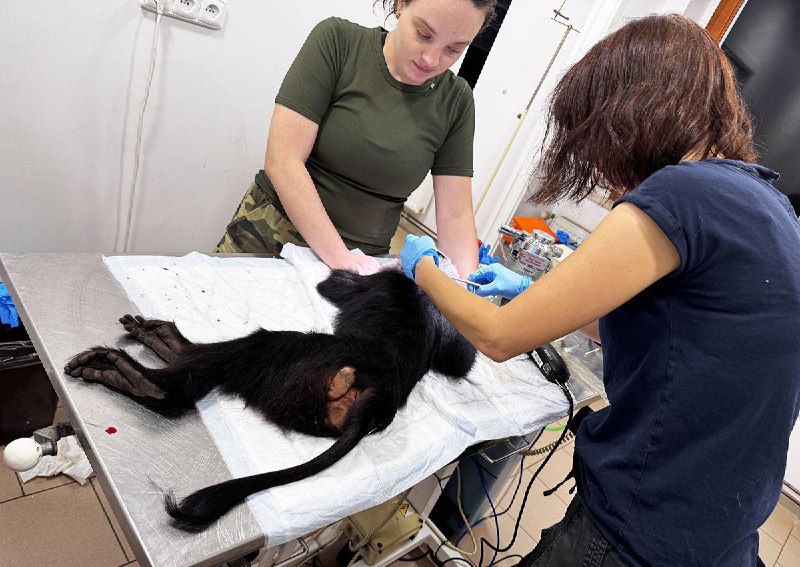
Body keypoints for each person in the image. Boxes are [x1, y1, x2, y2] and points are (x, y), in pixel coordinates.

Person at [400, 14, 800, 566]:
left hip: (639, 531)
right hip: (719, 533)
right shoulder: (766, 202)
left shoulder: (682, 194)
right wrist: (531, 288)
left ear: (631, 115)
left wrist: (421, 268)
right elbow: (673, 334)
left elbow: (496, 337)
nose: (603, 172)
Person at [215, 0, 497, 276]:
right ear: (400, 5)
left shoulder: (456, 102)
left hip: (366, 259)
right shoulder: (338, 42)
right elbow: (283, 160)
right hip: (273, 232)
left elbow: (455, 217)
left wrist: (466, 290)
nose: (431, 59)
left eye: (453, 49)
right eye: (423, 34)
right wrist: (338, 256)